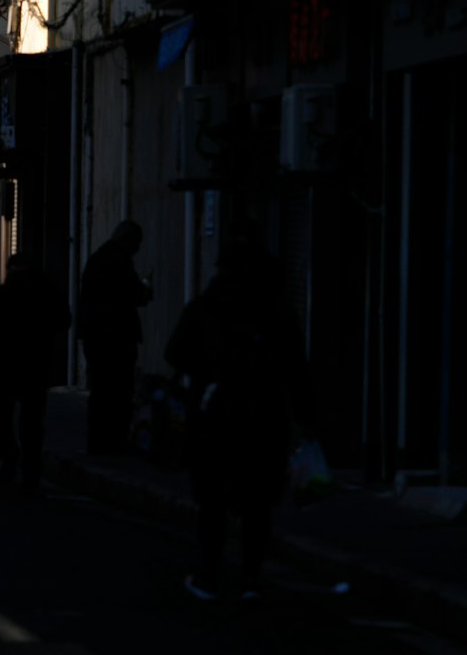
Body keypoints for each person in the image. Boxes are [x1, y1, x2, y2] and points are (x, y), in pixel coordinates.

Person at [167, 233, 312, 603]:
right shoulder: (277, 312)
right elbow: (297, 370)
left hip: (215, 418)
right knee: (257, 504)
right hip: (265, 419)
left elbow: (175, 352)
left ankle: (210, 575)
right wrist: (307, 422)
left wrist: (207, 374)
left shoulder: (207, 307)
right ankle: (250, 578)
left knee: (212, 503)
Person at [0, 254, 70, 489]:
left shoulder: (3, 294)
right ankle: (31, 470)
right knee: (31, 422)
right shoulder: (49, 292)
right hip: (36, 365)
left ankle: (10, 453)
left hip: (6, 365)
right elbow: (65, 320)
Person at [77, 220, 152, 454]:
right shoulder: (117, 262)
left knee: (103, 391)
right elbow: (133, 295)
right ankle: (112, 441)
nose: (137, 249)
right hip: (114, 338)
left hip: (98, 336)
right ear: (127, 240)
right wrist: (145, 289)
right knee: (116, 391)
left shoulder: (100, 259)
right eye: (136, 243)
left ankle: (99, 441)